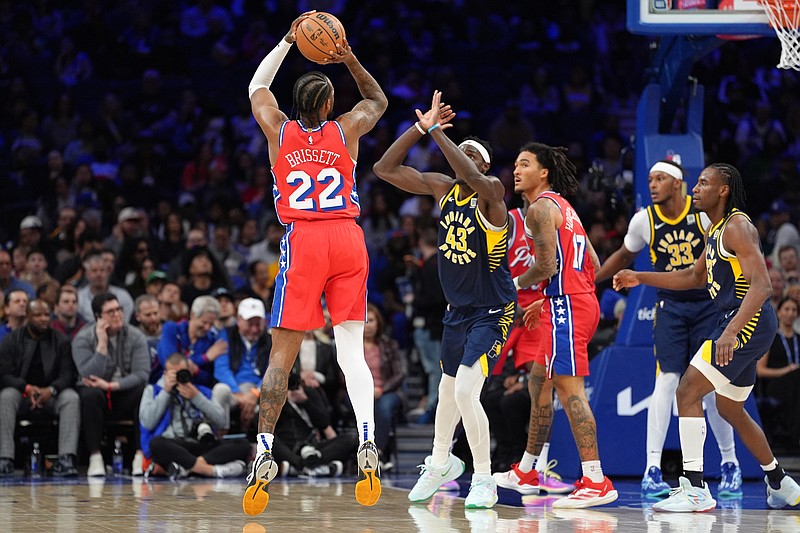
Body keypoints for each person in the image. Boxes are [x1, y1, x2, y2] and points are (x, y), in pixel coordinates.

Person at [243, 12, 388, 514]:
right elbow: (378, 101)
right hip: (348, 239)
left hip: (303, 241)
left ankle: (263, 449)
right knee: (351, 352)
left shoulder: (277, 129)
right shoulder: (346, 128)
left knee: (281, 357)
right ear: (329, 104)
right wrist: (348, 57)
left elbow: (258, 85)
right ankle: (367, 439)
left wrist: (286, 40)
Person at [613, 163, 800, 512]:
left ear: (723, 190)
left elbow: (762, 285)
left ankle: (695, 488)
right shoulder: (715, 231)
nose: (695, 189)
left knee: (687, 390)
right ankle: (779, 481)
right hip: (742, 322)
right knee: (730, 408)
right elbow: (695, 276)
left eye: (703, 183)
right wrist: (641, 276)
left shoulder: (737, 226)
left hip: (746, 320)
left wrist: (731, 331)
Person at [373, 90, 516, 509]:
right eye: (460, 149)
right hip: (458, 312)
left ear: (485, 165)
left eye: (471, 153)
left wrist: (437, 132)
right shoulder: (442, 189)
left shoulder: (491, 195)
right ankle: (440, 462)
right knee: (448, 392)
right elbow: (384, 168)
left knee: (469, 392)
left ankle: (484, 477)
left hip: (492, 310)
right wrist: (419, 127)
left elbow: (472, 175)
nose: (462, 157)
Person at [593, 160, 742, 498]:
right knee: (667, 381)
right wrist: (593, 279)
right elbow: (623, 254)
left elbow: (706, 270)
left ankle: (730, 464)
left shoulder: (702, 215)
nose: (653, 184)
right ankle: (652, 469)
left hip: (709, 306)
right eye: (649, 179)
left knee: (712, 386)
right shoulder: (643, 220)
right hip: (670, 308)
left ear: (677, 183)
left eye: (660, 178)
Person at [494, 142, 617, 509]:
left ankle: (596, 479)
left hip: (567, 306)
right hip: (570, 303)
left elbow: (546, 266)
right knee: (538, 382)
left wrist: (515, 286)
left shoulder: (538, 210)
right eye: (515, 164)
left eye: (525, 164)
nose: (516, 170)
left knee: (569, 390)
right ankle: (528, 470)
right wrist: (551, 301)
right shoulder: (565, 207)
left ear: (543, 172)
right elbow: (592, 260)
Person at [488, 200, 573, 495]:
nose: (516, 170)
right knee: (482, 391)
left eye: (525, 164)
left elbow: (565, 264)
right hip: (511, 315)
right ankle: (496, 460)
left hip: (545, 312)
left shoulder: (558, 214)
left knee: (543, 390)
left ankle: (540, 467)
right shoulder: (509, 220)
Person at [72, 293, 150, 477]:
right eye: (111, 311)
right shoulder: (82, 338)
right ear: (99, 317)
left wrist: (111, 386)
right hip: (95, 394)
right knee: (89, 394)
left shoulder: (136, 335)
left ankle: (140, 456)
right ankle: (95, 457)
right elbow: (89, 375)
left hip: (122, 391)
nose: (117, 315)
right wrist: (102, 343)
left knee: (144, 391)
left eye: (119, 309)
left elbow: (142, 375)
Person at [0, 299, 80, 477]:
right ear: (28, 317)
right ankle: (4, 459)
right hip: (22, 395)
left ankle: (66, 458)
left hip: (52, 395)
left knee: (71, 398)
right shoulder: (11, 340)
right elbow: (5, 374)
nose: (43, 319)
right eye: (38, 315)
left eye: (46, 314)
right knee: (5, 396)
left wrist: (51, 390)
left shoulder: (61, 341)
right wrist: (26, 387)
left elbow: (68, 375)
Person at [139, 352, 249, 480]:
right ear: (165, 374)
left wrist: (196, 397)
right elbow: (147, 422)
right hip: (173, 444)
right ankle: (208, 470)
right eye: (174, 374)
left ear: (189, 371)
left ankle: (189, 467)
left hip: (200, 443)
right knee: (156, 444)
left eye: (182, 372)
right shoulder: (153, 391)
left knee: (243, 444)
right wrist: (165, 392)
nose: (179, 377)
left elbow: (221, 421)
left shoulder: (201, 391)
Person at [213, 298, 271, 432]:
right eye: (250, 324)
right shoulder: (227, 335)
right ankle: (221, 438)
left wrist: (255, 393)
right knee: (220, 390)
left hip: (259, 391)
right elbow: (221, 369)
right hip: (234, 390)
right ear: (238, 319)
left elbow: (272, 372)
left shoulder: (269, 340)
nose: (254, 329)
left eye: (258, 324)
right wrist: (239, 394)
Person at [361, 303, 405, 468]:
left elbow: (399, 374)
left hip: (386, 390)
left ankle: (377, 453)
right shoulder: (351, 347)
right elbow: (343, 375)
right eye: (365, 321)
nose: (368, 325)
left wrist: (381, 389)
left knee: (384, 408)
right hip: (358, 392)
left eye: (371, 320)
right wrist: (365, 391)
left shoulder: (389, 345)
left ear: (378, 322)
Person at [157, 296, 227, 388]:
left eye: (211, 324)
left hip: (196, 389)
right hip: (166, 383)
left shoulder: (211, 340)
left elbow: (208, 379)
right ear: (193, 315)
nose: (207, 327)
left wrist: (197, 371)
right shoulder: (171, 329)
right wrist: (205, 358)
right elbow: (170, 362)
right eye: (204, 322)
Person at [756, 296, 800, 445]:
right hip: (776, 384)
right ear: (779, 312)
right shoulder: (771, 338)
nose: (790, 313)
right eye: (787, 309)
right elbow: (760, 371)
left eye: (794, 310)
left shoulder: (798, 338)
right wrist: (786, 371)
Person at [77, 250, 135, 323]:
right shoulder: (79, 298)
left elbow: (127, 323)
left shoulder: (123, 296)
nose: (99, 274)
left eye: (102, 270)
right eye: (94, 271)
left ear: (108, 273)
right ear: (86, 274)